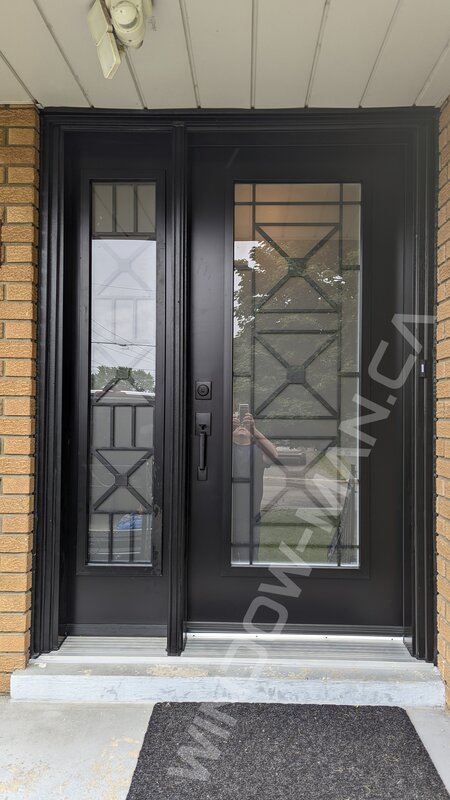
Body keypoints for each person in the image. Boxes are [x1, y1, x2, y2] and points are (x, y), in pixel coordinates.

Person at [232, 409, 278, 563]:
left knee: (249, 560)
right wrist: (227, 429)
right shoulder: (224, 448)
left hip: (250, 515)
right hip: (226, 515)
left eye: (243, 420)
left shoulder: (257, 451)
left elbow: (274, 455)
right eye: (237, 421)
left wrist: (254, 429)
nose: (241, 425)